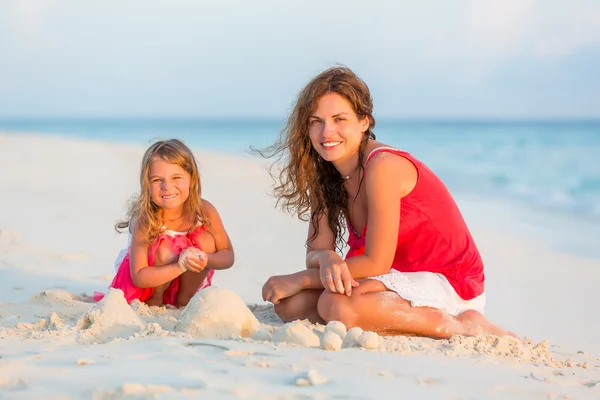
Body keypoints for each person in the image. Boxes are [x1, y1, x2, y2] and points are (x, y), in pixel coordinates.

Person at [260, 66, 516, 339]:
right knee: (290, 305)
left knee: (336, 305)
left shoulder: (382, 166)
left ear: (364, 122)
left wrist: (300, 278)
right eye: (316, 121)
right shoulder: (326, 172)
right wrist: (328, 258)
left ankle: (463, 324)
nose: (327, 133)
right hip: (387, 280)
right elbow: (315, 251)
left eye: (339, 119)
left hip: (446, 279)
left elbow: (377, 261)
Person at [94, 139, 234, 307]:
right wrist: (180, 266)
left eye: (176, 177)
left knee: (205, 241)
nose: (167, 186)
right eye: (157, 180)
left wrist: (204, 259)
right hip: (146, 284)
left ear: (192, 179)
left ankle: (184, 299)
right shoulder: (144, 219)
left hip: (181, 280)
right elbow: (139, 276)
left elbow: (227, 255)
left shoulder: (204, 210)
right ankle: (156, 301)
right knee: (165, 248)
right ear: (146, 185)